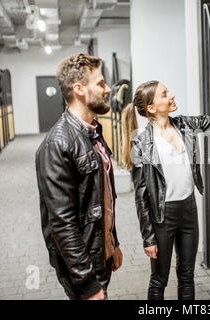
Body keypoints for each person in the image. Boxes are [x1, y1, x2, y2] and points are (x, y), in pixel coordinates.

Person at [122, 80, 210, 300]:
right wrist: (148, 238)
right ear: (151, 108)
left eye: (168, 91)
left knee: (187, 275)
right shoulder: (142, 143)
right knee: (159, 279)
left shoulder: (184, 124)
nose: (171, 95)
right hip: (163, 217)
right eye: (164, 94)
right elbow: (141, 196)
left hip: (188, 210)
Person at [35, 53, 123, 300]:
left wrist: (112, 245)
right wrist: (86, 283)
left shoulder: (93, 133)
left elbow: (103, 199)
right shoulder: (57, 144)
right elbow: (62, 223)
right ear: (79, 89)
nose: (108, 90)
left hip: (100, 253)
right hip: (83, 268)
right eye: (101, 84)